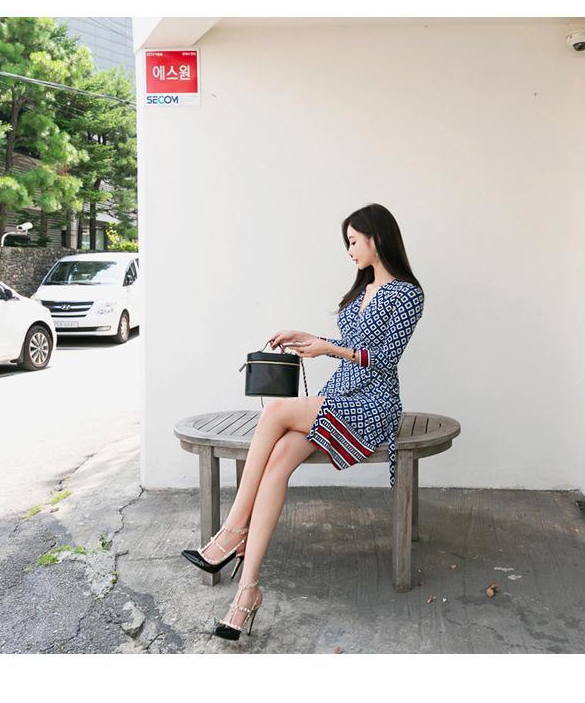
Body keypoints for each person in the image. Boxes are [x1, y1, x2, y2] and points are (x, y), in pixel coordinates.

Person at [181, 202, 425, 641]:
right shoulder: (363, 289)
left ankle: (232, 532)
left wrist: (327, 349)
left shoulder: (408, 293)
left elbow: (385, 360)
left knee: (275, 410)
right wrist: (310, 338)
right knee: (278, 461)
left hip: (374, 403)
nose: (349, 250)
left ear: (377, 238)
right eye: (347, 243)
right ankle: (247, 594)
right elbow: (350, 345)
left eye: (354, 241)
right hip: (340, 395)